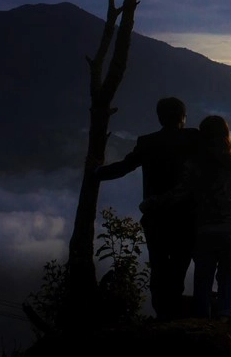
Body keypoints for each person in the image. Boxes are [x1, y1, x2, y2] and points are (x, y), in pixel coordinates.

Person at [96, 97, 199, 320]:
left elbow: (123, 167)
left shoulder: (148, 142)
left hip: (156, 219)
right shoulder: (194, 139)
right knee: (178, 270)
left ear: (160, 118)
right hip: (186, 220)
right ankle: (172, 318)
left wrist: (96, 173)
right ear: (183, 117)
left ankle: (163, 315)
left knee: (159, 269)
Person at [141, 115, 231, 319]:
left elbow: (179, 193)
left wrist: (152, 203)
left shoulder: (195, 165)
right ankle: (224, 320)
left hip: (205, 229)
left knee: (203, 279)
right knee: (227, 278)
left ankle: (201, 323)